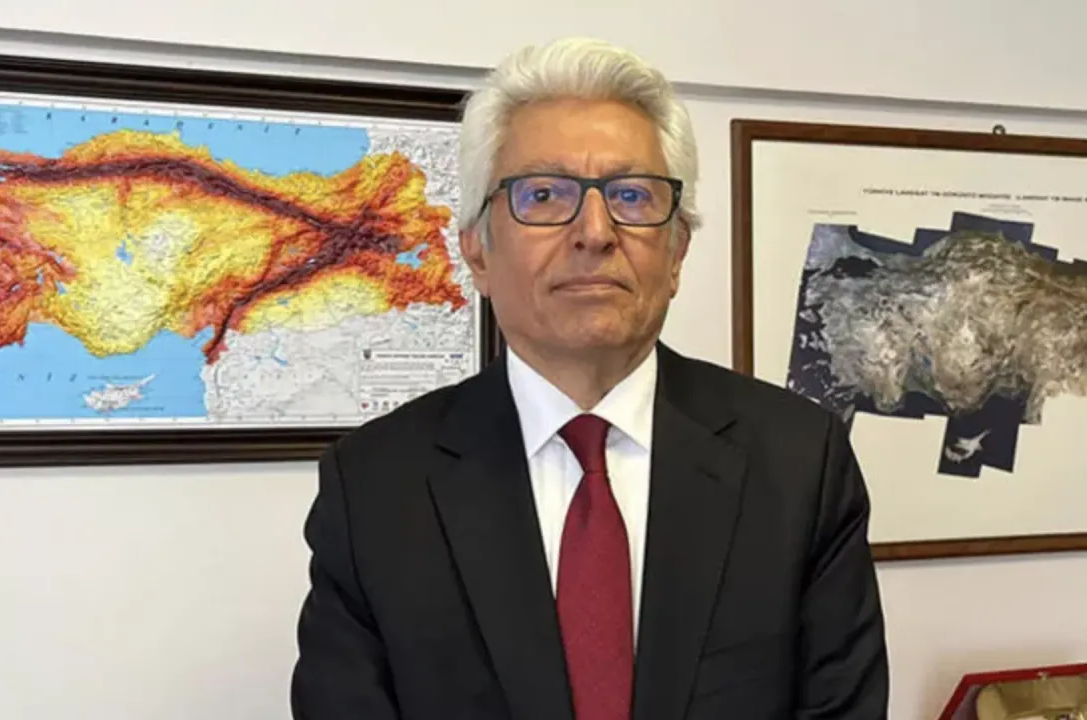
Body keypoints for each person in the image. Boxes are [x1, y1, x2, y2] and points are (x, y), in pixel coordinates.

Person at [290, 36, 889, 720]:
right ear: (478, 252)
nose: (596, 232)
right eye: (544, 195)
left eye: (631, 195)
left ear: (677, 253)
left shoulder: (799, 462)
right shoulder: (375, 486)